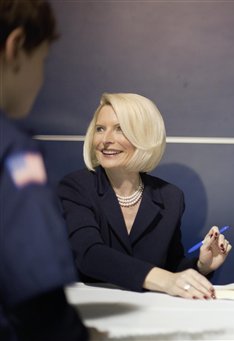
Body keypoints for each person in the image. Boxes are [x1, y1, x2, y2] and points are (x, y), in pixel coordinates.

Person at [57, 93, 232, 299]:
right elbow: (89, 254)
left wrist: (201, 266)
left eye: (120, 129)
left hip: (148, 314)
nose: (105, 140)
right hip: (91, 310)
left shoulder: (171, 197)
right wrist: (165, 280)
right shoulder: (77, 186)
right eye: (100, 129)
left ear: (145, 136)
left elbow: (170, 267)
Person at [0, 0, 88, 339]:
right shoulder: (14, 154)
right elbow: (40, 303)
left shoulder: (169, 198)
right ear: (17, 46)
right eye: (43, 61)